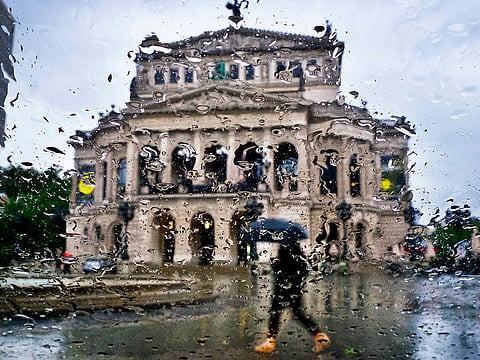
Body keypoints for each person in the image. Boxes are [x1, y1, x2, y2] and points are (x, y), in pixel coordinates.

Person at [255, 240, 330, 354]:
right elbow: (304, 272)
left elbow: (278, 270)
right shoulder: (299, 258)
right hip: (295, 289)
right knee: (299, 313)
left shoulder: (284, 254)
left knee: (275, 314)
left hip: (282, 290)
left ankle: (270, 342)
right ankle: (319, 335)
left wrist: (274, 262)